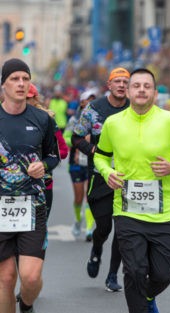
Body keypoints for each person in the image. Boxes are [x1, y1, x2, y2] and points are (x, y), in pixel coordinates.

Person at [94, 68, 170, 313]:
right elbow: (100, 157)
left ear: (154, 93)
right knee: (135, 271)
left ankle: (147, 296)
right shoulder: (113, 123)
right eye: (136, 85)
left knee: (165, 273)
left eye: (147, 86)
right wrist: (108, 173)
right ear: (128, 91)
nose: (141, 90)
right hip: (127, 210)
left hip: (166, 212)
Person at [0, 58, 59, 313]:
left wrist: (43, 167)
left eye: (25, 78)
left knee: (31, 278)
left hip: (33, 207)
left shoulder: (42, 119)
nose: (21, 83)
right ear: (3, 85)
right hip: (0, 208)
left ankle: (26, 304)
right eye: (15, 79)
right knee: (5, 278)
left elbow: (53, 155)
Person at [72, 68, 130, 292]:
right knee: (104, 227)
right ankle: (97, 248)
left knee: (122, 228)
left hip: (127, 178)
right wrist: (93, 150)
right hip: (100, 176)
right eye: (118, 81)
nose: (122, 85)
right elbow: (76, 136)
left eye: (126, 82)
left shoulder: (134, 109)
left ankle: (113, 274)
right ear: (109, 85)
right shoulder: (94, 109)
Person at [26, 84, 68, 220]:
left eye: (28, 98)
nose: (24, 102)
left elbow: (62, 151)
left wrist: (42, 163)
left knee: (39, 231)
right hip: (10, 187)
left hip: (42, 184)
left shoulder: (45, 119)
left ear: (35, 99)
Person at [63, 90, 97, 241]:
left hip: (92, 161)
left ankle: (89, 228)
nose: (90, 102)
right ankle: (78, 221)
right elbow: (66, 139)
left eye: (93, 100)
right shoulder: (74, 119)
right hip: (76, 162)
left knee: (89, 197)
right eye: (87, 100)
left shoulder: (98, 120)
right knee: (78, 197)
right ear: (82, 102)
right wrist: (81, 140)